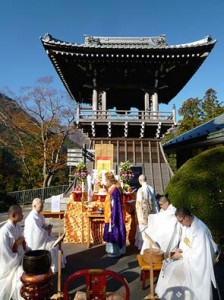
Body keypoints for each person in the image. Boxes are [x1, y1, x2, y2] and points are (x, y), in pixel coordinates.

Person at [155, 207, 218, 300]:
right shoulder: (188, 225)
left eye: (180, 221)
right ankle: (169, 295)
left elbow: (200, 255)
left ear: (187, 217)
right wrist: (180, 249)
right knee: (166, 264)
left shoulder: (200, 231)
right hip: (187, 258)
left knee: (171, 269)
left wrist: (182, 255)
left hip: (198, 266)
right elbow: (186, 241)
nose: (181, 224)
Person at [24, 198, 66, 273]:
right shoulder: (31, 218)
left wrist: (47, 227)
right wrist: (46, 230)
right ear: (34, 205)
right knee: (54, 246)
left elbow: (42, 226)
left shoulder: (39, 215)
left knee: (56, 241)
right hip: (36, 243)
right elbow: (36, 234)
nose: (43, 206)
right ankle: (53, 267)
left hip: (43, 239)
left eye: (42, 205)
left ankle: (59, 264)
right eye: (41, 205)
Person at [0, 205, 27, 300]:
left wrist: (26, 254)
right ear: (14, 215)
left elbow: (22, 244)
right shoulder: (4, 232)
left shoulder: (18, 227)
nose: (23, 216)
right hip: (10, 266)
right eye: (21, 214)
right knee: (22, 278)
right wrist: (20, 258)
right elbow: (5, 255)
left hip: (19, 259)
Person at [103, 171, 126, 258]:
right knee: (115, 231)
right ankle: (118, 250)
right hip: (111, 214)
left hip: (112, 215)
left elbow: (114, 205)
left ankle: (116, 251)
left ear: (110, 180)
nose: (106, 182)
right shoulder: (114, 188)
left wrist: (113, 216)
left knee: (114, 232)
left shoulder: (114, 190)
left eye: (106, 180)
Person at [135, 174, 159, 250]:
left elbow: (140, 203)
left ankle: (143, 247)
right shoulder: (150, 188)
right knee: (150, 229)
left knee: (144, 230)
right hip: (151, 211)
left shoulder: (140, 190)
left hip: (143, 213)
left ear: (140, 180)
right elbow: (154, 201)